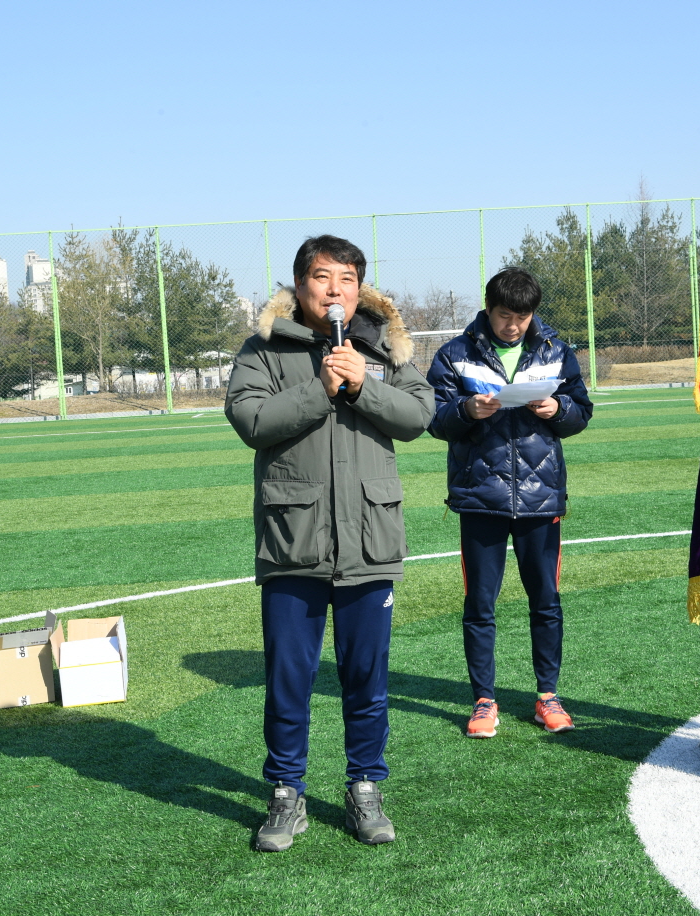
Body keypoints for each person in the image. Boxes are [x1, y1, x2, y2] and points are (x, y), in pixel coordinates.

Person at [225, 235, 434, 851]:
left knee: (366, 679)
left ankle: (365, 787)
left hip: (370, 542)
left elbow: (419, 416)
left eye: (346, 279)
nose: (334, 290)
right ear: (300, 285)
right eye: (322, 278)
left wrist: (364, 385)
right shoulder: (264, 348)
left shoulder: (381, 345)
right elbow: (252, 422)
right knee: (289, 678)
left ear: (359, 289)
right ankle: (286, 794)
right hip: (295, 544)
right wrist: (321, 388)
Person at [425, 266, 593, 738]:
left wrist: (558, 409)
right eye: (504, 316)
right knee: (480, 603)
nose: (513, 325)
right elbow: (434, 418)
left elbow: (581, 412)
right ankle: (483, 700)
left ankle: (548, 696)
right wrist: (466, 410)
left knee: (546, 600)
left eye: (522, 316)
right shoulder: (455, 354)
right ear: (488, 309)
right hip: (481, 498)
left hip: (541, 501)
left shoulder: (557, 352)